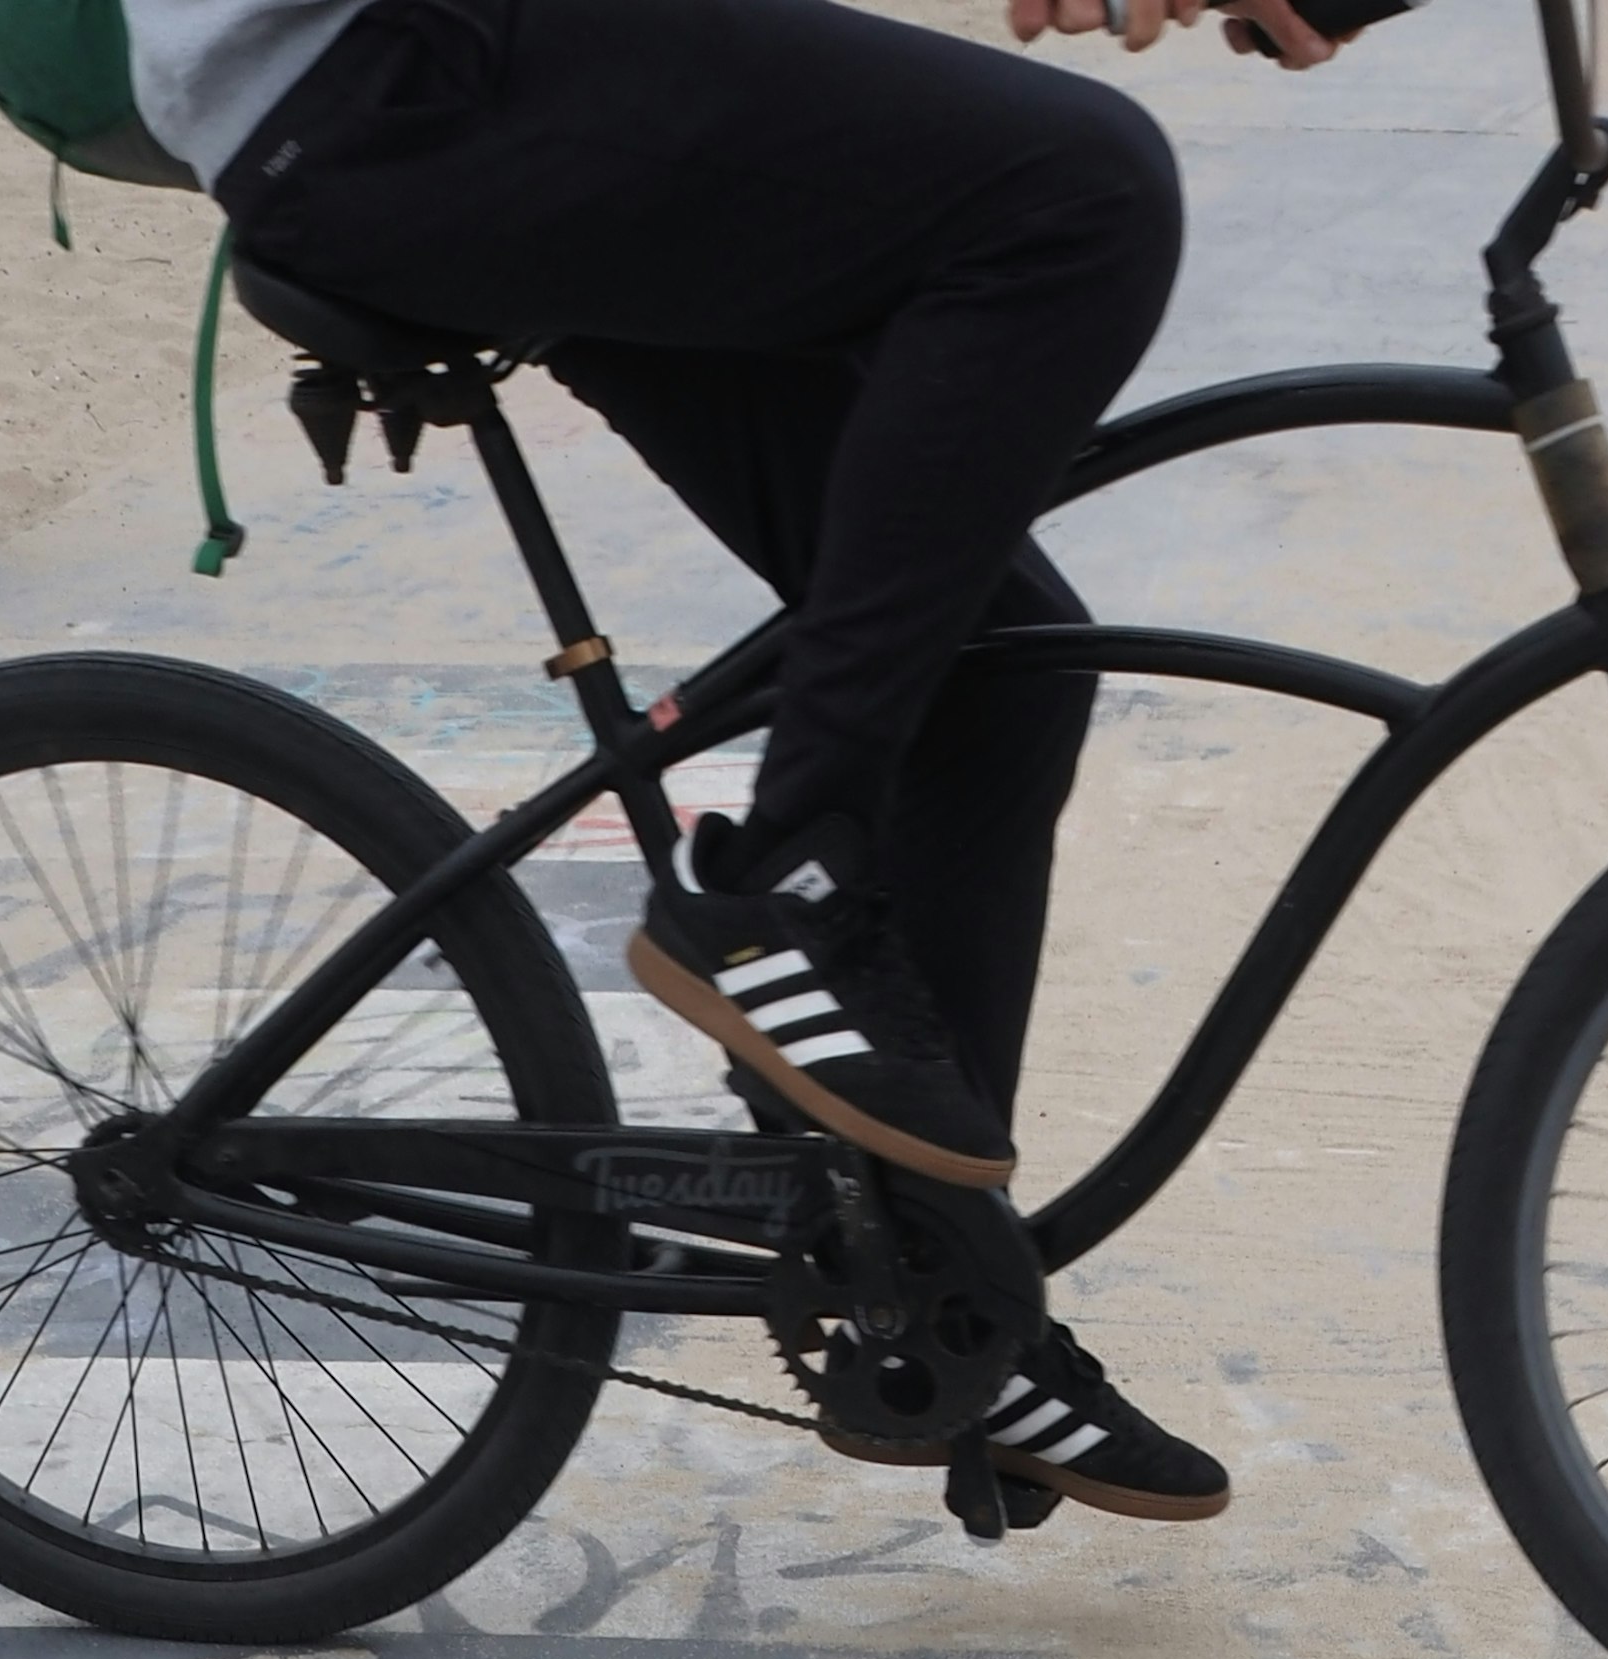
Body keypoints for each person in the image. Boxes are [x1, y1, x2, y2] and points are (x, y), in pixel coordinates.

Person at [121, 0, 1414, 1521]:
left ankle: (938, 1293)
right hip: (382, 83)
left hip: (463, 73)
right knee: (1082, 190)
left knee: (995, 666)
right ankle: (785, 875)